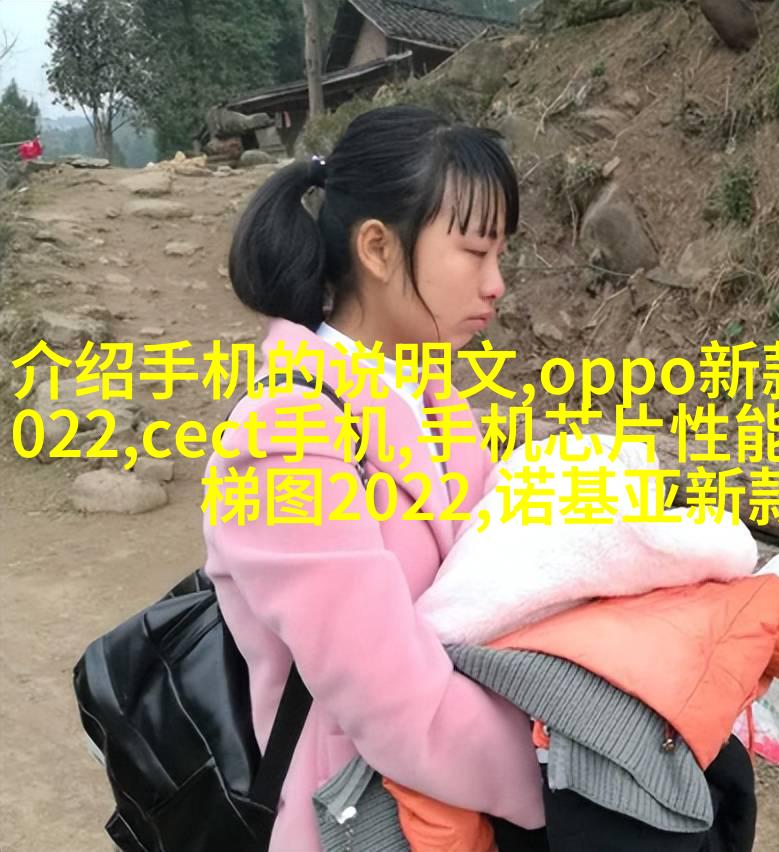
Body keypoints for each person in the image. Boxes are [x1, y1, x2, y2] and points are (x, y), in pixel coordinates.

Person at [204, 105, 544, 852]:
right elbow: (396, 704)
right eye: (473, 251)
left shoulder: (434, 402)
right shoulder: (283, 438)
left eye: (502, 255)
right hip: (356, 821)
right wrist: (572, 777)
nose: (495, 284)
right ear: (378, 249)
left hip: (458, 808)